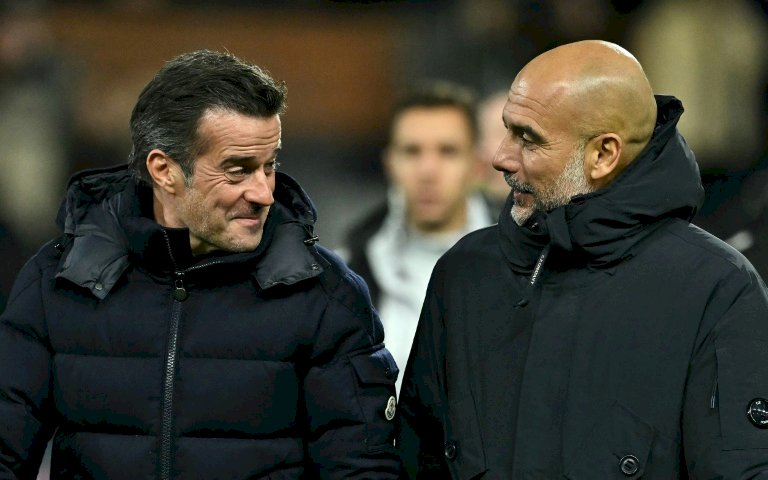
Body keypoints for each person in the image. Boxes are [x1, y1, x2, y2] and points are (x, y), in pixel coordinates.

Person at [0, 50, 401, 479]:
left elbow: (361, 470)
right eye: (237, 170)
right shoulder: (59, 282)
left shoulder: (325, 296)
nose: (264, 193)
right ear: (164, 170)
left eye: (269, 166)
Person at [398, 40, 768, 478]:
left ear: (603, 155)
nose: (500, 158)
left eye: (528, 139)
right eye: (507, 130)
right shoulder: (463, 273)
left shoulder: (717, 290)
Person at [341, 80, 494, 394]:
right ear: (390, 165)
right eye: (412, 151)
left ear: (477, 166)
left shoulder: (528, 263)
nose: (427, 171)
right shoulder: (348, 271)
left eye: (448, 151)